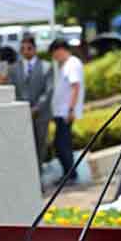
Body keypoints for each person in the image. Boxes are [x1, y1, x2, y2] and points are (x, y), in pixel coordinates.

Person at [9, 36, 52, 163]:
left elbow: (49, 91)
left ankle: (39, 174)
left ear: (35, 49)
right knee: (24, 146)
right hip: (21, 114)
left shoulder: (46, 66)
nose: (26, 51)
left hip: (41, 115)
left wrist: (37, 108)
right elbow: (13, 89)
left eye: (29, 48)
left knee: (40, 145)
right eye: (23, 49)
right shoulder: (14, 68)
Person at [50, 38, 84, 185]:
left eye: (54, 53)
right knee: (61, 144)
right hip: (61, 112)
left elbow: (75, 87)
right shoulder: (66, 65)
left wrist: (70, 109)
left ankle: (70, 175)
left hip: (66, 112)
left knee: (62, 144)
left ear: (61, 49)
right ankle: (69, 173)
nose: (54, 57)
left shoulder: (72, 64)